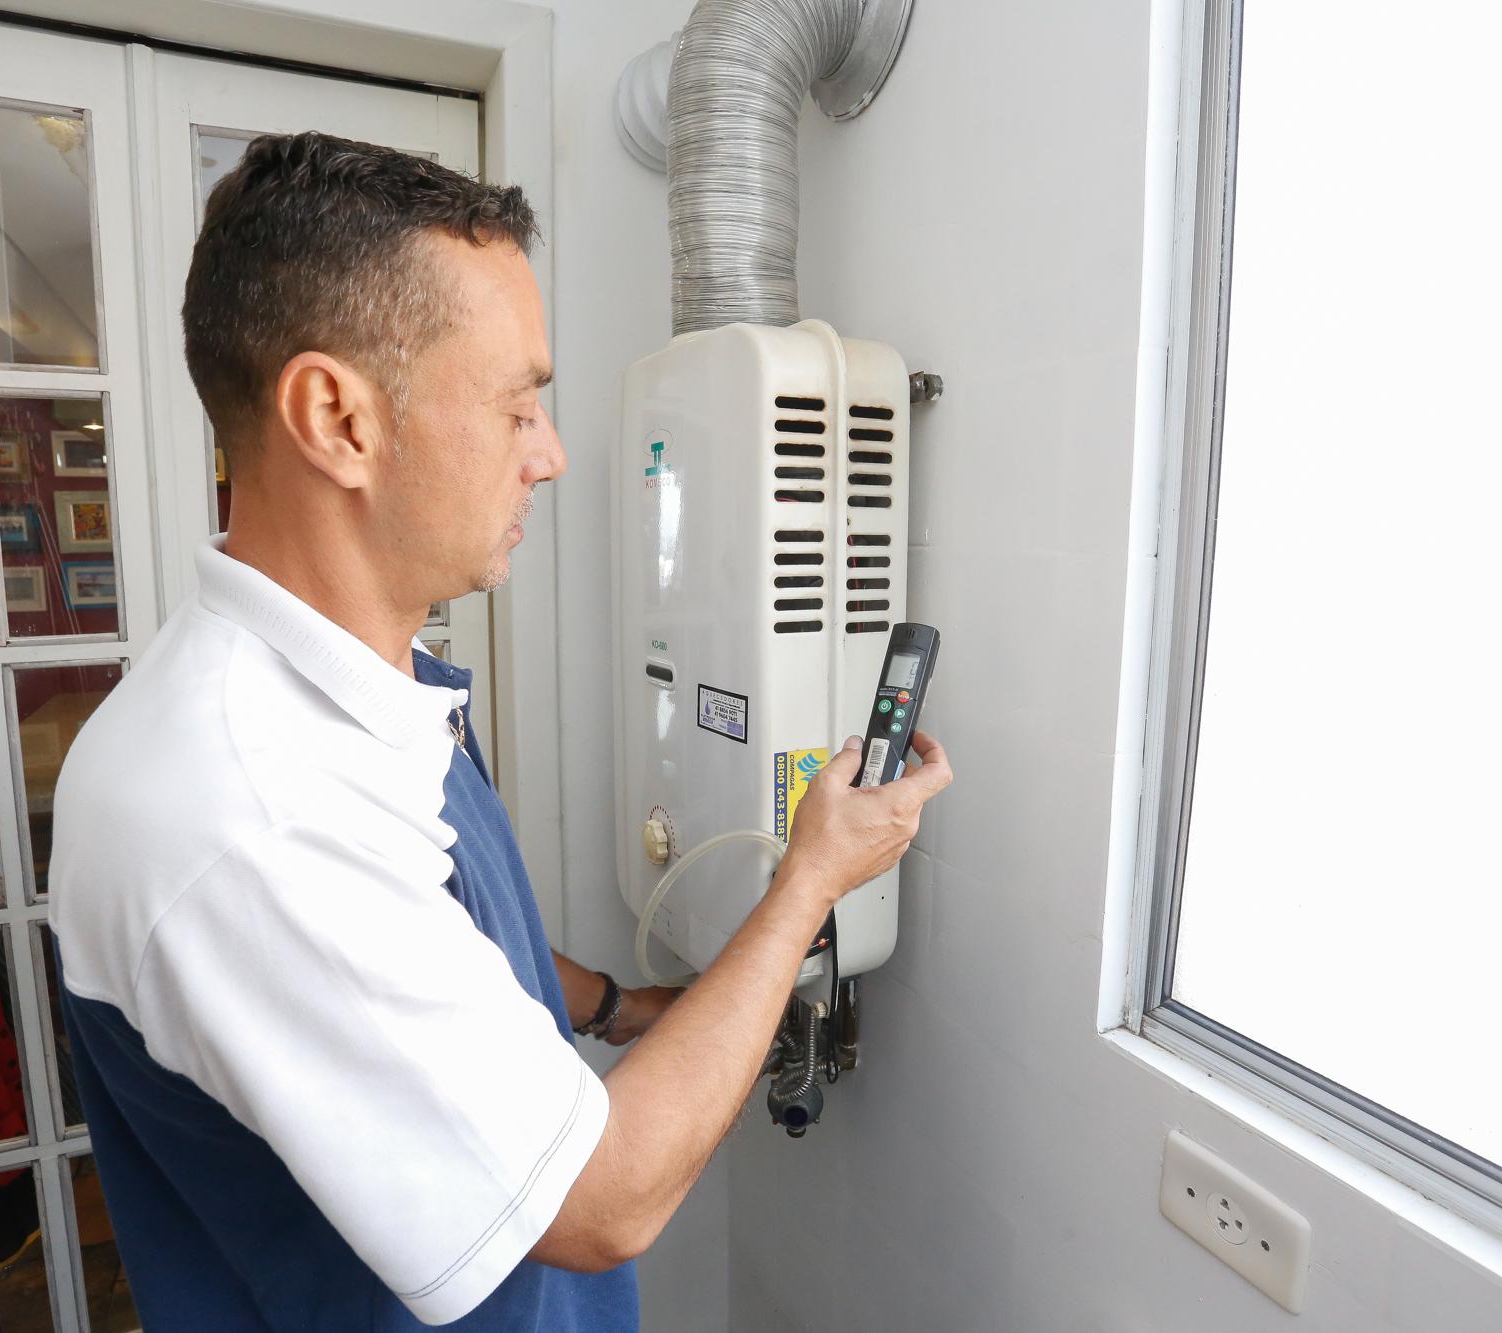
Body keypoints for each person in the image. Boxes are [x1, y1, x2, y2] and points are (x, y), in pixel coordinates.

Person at [48, 131, 951, 1333]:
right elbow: (602, 1200)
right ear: (337, 418)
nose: (552, 454)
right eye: (518, 405)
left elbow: (437, 931)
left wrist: (611, 1005)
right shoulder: (250, 811)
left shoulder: (360, 679)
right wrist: (810, 881)